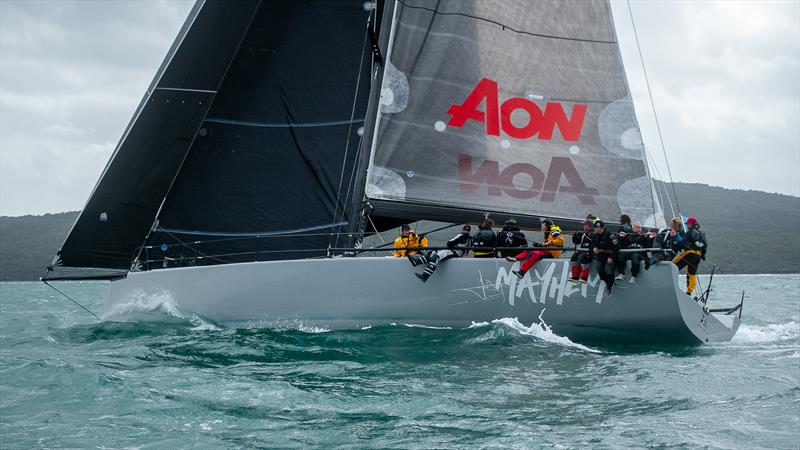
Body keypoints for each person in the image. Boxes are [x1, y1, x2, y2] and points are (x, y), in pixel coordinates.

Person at [672, 217, 707, 296]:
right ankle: (689, 292)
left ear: (691, 224)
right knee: (691, 273)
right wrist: (703, 255)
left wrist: (676, 237)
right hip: (698, 255)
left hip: (689, 253)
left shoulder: (690, 232)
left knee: (672, 266)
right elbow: (705, 246)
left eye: (687, 224)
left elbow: (685, 243)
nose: (687, 225)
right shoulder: (702, 233)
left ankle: (671, 285)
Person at [589, 220, 619, 293]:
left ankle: (609, 288)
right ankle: (608, 282)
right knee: (599, 269)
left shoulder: (610, 234)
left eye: (596, 228)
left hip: (610, 254)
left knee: (609, 270)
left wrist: (612, 257)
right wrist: (593, 248)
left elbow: (616, 246)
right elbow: (592, 244)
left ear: (600, 228)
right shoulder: (595, 235)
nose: (595, 229)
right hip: (601, 255)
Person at [614, 214, 633, 280]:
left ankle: (621, 274)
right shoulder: (627, 227)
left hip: (623, 248)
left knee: (620, 258)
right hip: (622, 247)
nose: (619, 220)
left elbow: (627, 238)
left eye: (620, 219)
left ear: (623, 220)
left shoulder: (625, 227)